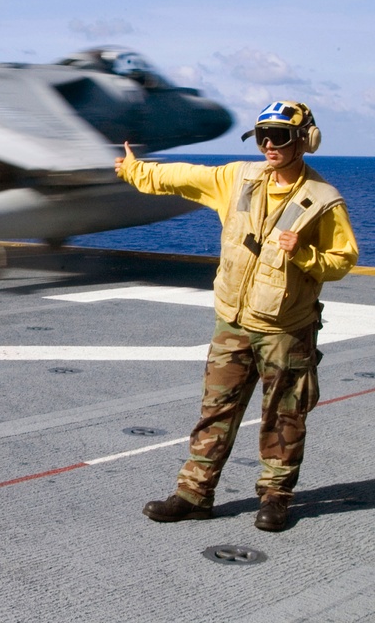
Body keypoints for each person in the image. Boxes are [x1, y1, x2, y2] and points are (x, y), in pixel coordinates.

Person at [114, 101, 358, 532]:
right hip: (233, 322)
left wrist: (302, 252)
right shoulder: (238, 178)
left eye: (279, 137)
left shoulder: (323, 200)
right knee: (215, 410)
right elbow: (184, 176)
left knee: (284, 415)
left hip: (285, 330)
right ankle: (194, 495)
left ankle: (276, 498)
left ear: (305, 140)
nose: (268, 144)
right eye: (262, 135)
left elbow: (341, 260)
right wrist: (136, 170)